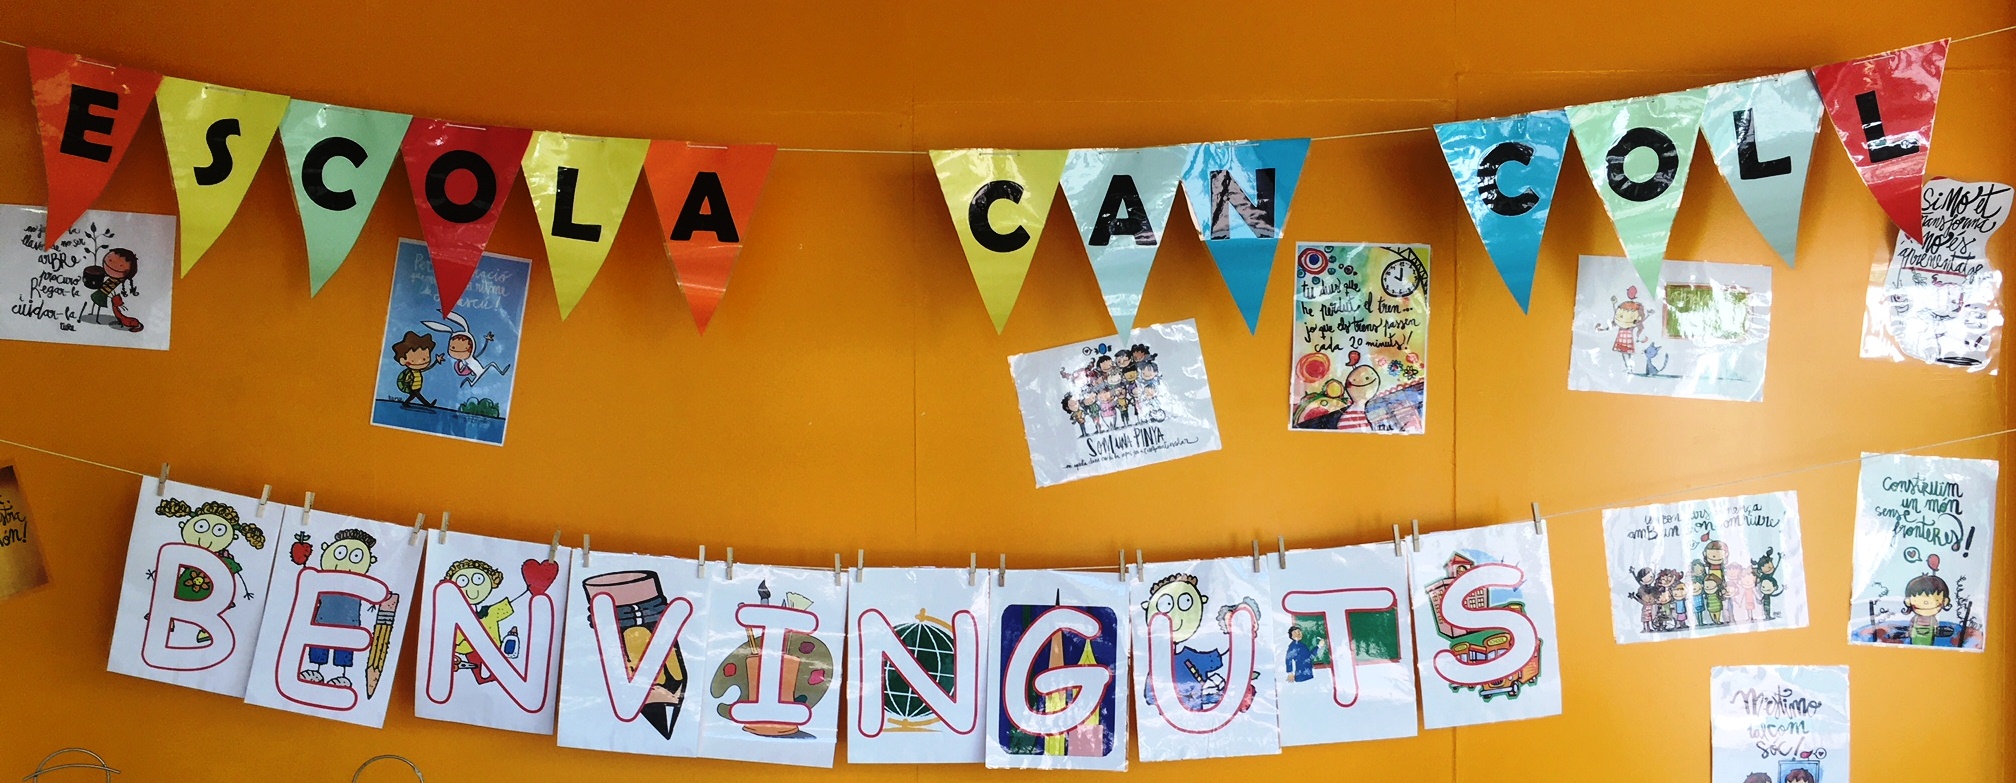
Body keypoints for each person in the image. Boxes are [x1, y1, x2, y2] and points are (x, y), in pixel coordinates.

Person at [302, 529, 380, 687]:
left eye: (356, 557)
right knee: (319, 644)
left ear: (370, 561)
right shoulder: (322, 579)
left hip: (348, 624)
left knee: (344, 648)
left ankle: (341, 675)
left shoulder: (360, 585)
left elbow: (374, 596)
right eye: (340, 553)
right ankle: (315, 669)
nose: (346, 563)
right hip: (322, 620)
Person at [444, 559, 515, 683]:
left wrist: (528, 590)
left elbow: (510, 604)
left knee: (493, 671)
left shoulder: (490, 612)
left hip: (491, 648)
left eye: (478, 579)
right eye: (462, 581)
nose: (471, 588)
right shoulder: (456, 615)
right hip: (468, 649)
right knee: (480, 674)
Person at [80, 247, 145, 332]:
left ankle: (96, 318)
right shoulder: (112, 277)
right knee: (95, 302)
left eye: (120, 265)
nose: (111, 265)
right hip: (101, 291)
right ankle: (92, 313)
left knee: (98, 304)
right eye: (110, 260)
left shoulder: (119, 279)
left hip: (104, 293)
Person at [390, 332, 441, 408]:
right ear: (403, 360)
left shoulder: (418, 370)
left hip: (418, 385)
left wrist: (436, 361)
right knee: (418, 396)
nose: (422, 361)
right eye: (413, 360)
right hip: (413, 386)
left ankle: (406, 403)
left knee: (413, 396)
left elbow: (429, 367)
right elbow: (406, 379)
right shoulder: (410, 372)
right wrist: (408, 381)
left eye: (426, 358)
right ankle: (428, 405)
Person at [1901, 573, 1951, 646]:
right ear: (1908, 601)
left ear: (1945, 601)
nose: (1926, 603)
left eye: (1935, 600)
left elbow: (1936, 626)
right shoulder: (1914, 620)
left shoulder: (1934, 621)